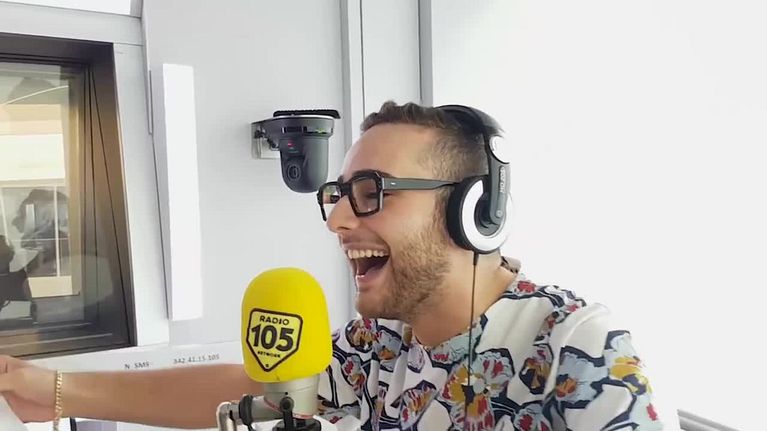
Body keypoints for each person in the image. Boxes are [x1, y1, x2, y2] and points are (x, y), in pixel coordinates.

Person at [0, 102, 663, 430]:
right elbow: (261, 389)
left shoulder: (576, 344)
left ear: (473, 211)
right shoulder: (378, 340)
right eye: (337, 194)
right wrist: (57, 390)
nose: (337, 220)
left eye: (371, 191)